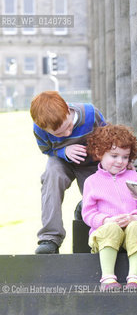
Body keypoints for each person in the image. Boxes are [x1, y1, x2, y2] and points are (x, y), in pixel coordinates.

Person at [30, 91, 106, 254]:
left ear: (67, 110)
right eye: (59, 134)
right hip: (61, 161)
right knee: (52, 174)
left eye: (68, 127)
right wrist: (64, 151)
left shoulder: (90, 114)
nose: (67, 134)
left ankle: (85, 209)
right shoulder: (39, 129)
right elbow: (47, 150)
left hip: (90, 163)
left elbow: (110, 140)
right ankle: (50, 238)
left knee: (98, 195)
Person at [82, 124, 137, 291]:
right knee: (111, 228)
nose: (120, 161)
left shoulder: (134, 177)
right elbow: (88, 213)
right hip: (105, 232)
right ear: (99, 153)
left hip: (131, 231)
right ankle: (107, 278)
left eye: (125, 157)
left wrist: (136, 217)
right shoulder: (91, 181)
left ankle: (134, 278)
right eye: (114, 156)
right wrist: (106, 220)